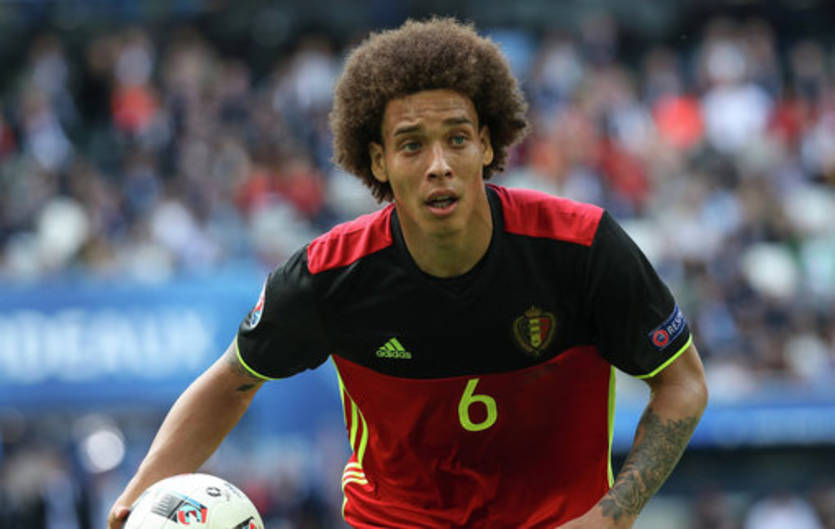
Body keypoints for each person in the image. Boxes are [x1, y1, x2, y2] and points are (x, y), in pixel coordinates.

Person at [108, 17, 708, 529]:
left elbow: (681, 382)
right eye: (412, 145)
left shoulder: (581, 246)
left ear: (487, 146)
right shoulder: (328, 275)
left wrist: (613, 515)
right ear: (379, 161)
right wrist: (137, 497)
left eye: (457, 139)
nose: (439, 165)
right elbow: (232, 382)